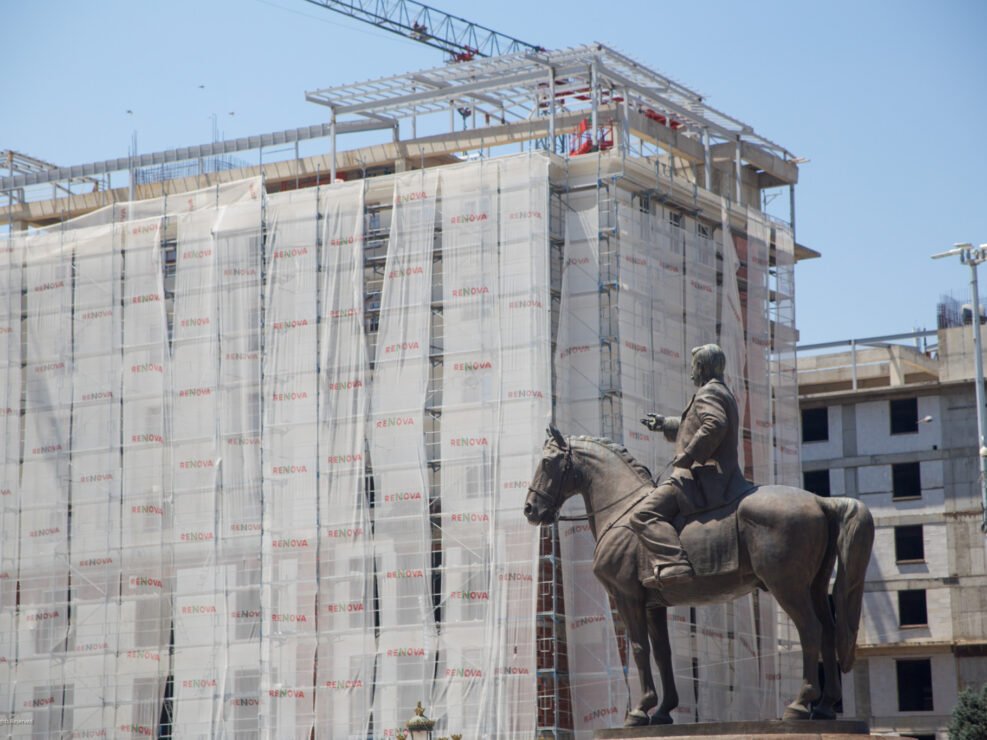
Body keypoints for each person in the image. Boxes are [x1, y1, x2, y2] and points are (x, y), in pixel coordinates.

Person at [631, 344, 749, 586]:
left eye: (693, 367)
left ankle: (675, 563)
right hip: (714, 472)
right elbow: (694, 426)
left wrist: (689, 455)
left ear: (702, 367)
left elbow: (714, 425)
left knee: (643, 514)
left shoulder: (708, 392)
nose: (691, 373)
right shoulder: (721, 391)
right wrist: (665, 423)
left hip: (703, 477)